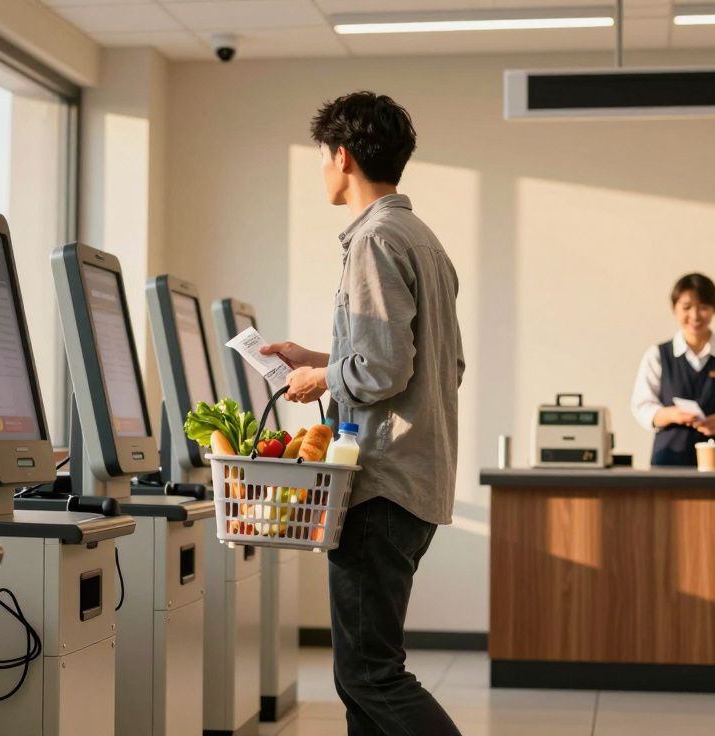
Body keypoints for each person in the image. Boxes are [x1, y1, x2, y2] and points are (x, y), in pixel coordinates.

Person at [261, 91, 464, 736]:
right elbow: (434, 364)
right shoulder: (422, 240)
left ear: (342, 156)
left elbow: (381, 371)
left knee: (369, 675)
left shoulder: (375, 240)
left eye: (322, 156)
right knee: (363, 685)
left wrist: (322, 375)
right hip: (417, 482)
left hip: (379, 484)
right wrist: (319, 355)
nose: (322, 168)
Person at [631, 272, 715, 467]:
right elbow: (641, 406)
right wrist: (672, 415)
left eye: (703, 308)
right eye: (686, 307)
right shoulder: (658, 355)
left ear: (714, 309)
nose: (695, 315)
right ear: (674, 308)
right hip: (669, 459)